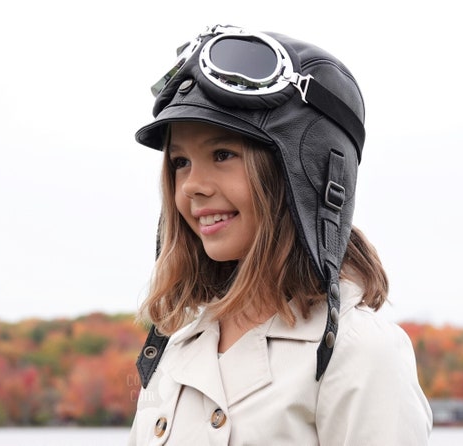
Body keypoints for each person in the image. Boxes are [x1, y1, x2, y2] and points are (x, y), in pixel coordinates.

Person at [128, 24, 432, 445]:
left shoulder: (359, 351)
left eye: (222, 155)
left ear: (303, 175)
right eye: (180, 162)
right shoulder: (177, 345)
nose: (192, 186)